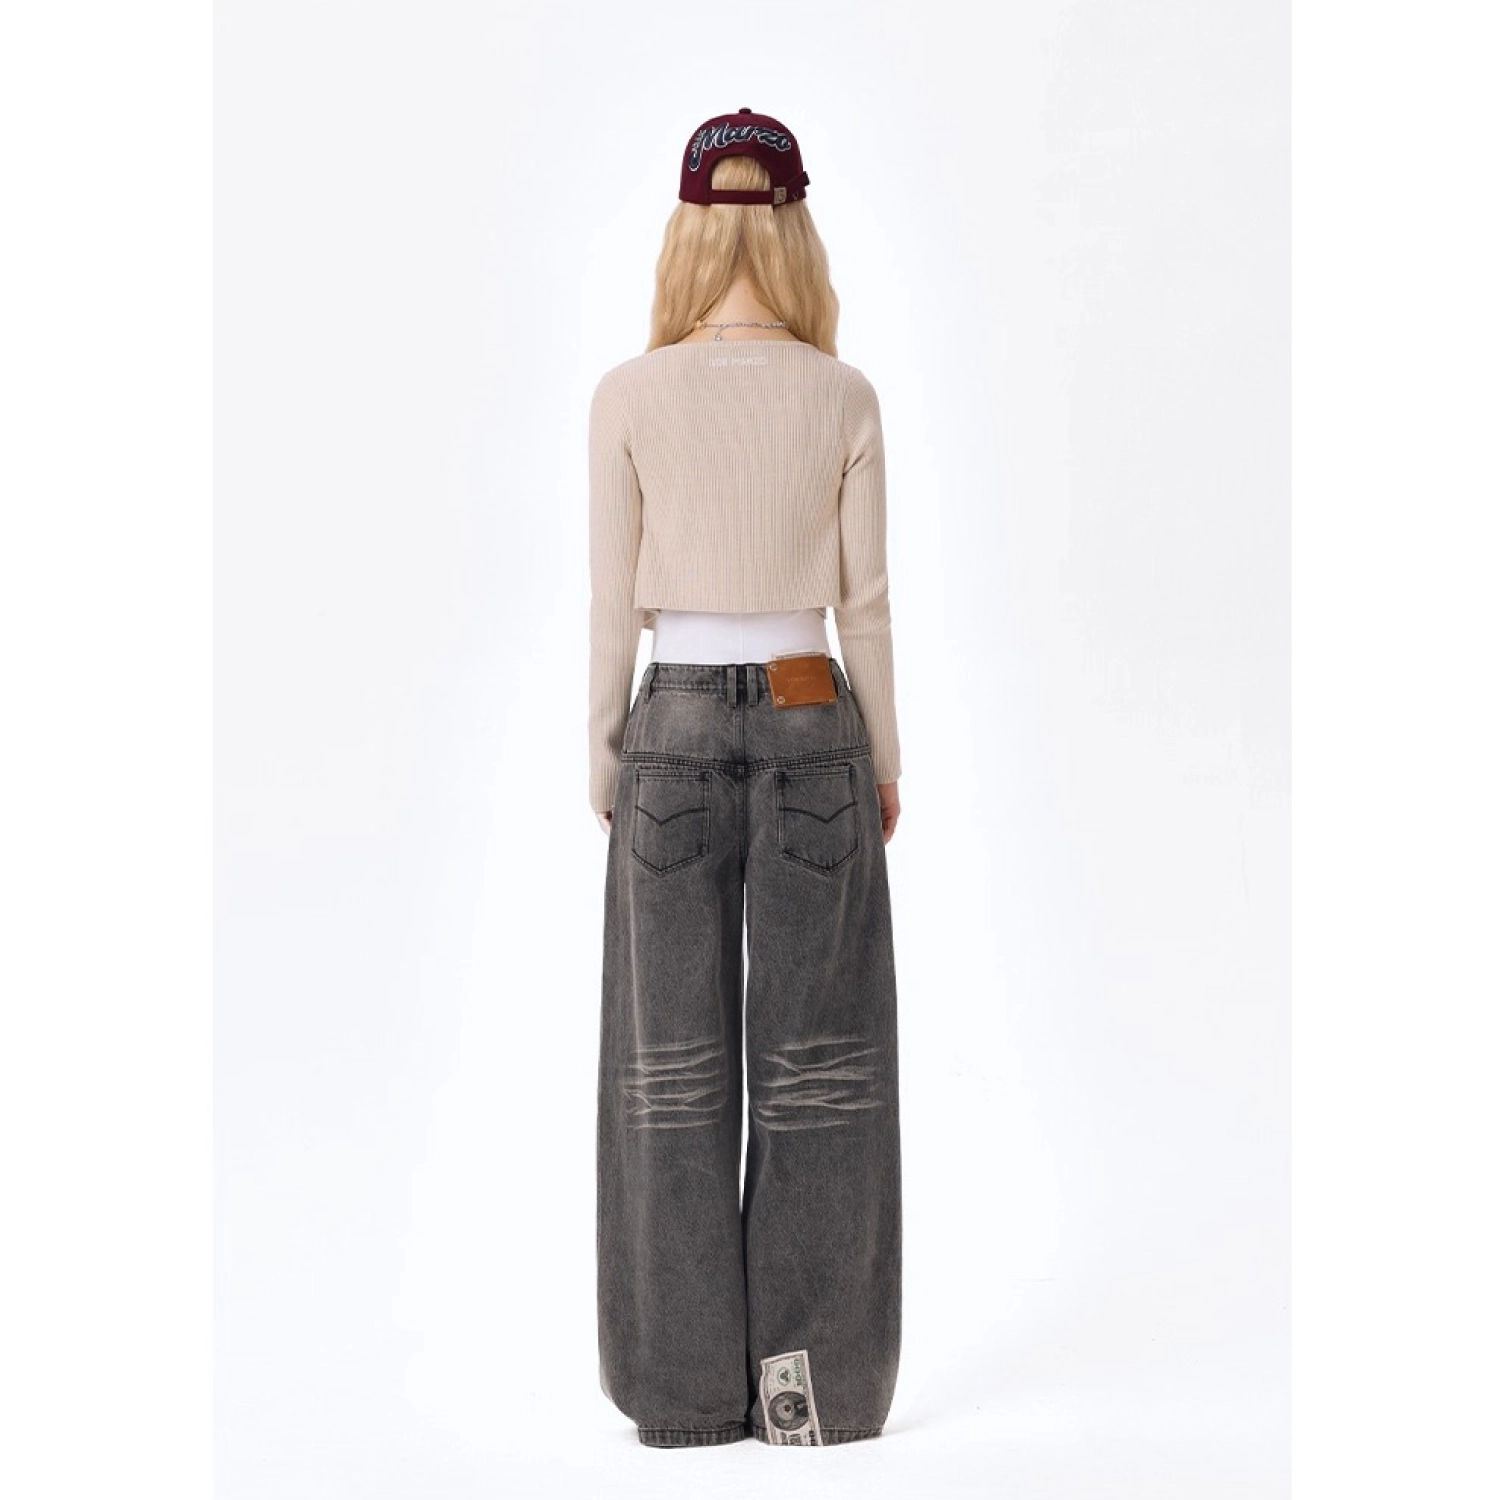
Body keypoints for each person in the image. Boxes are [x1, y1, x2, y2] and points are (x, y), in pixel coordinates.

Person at [589, 107, 904, 1449]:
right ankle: (807, 1396)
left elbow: (611, 600)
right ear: (794, 233)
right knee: (822, 1067)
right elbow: (865, 605)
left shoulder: (629, 394)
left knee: (667, 1073)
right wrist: (884, 757)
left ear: (687, 232)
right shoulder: (843, 395)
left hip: (668, 733)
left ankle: (680, 1398)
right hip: (812, 716)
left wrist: (604, 747)